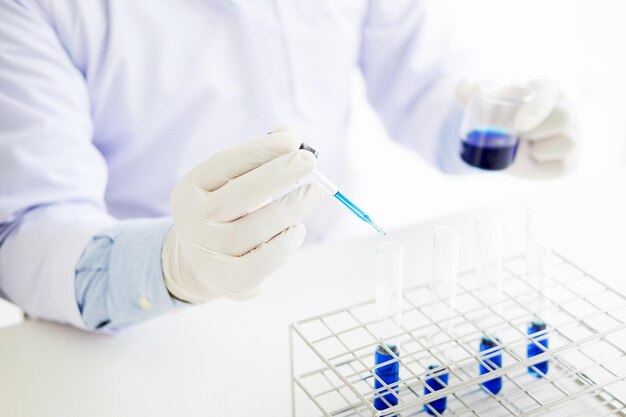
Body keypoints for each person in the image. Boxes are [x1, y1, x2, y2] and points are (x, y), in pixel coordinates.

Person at [0, 1, 577, 331]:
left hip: (334, 272)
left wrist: (496, 127)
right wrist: (175, 265)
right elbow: (24, 232)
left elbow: (419, 77)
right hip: (146, 323)